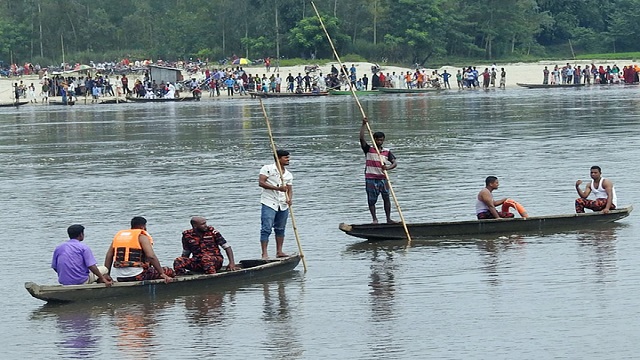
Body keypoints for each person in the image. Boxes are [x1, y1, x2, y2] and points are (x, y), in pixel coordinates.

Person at [104, 216, 174, 283]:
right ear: (142, 227)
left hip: (120, 277)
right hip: (138, 275)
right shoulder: (142, 237)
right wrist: (162, 273)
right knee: (169, 271)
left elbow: (109, 256)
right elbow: (151, 256)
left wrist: (107, 275)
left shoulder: (118, 237)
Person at [360, 117, 397, 224]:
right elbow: (361, 139)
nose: (379, 141)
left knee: (386, 198)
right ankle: (375, 219)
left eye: (381, 140)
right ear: (374, 139)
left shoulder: (386, 152)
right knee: (371, 200)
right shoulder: (368, 149)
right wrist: (363, 125)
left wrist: (388, 168)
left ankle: (388, 219)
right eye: (377, 139)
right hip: (371, 178)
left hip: (383, 179)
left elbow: (395, 163)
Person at [258, 149, 293, 259]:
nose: (288, 160)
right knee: (266, 228)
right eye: (286, 158)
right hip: (269, 202)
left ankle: (279, 251)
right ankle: (264, 253)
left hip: (282, 204)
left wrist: (289, 199)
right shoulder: (267, 168)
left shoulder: (288, 174)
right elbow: (261, 183)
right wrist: (277, 188)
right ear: (278, 158)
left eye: (288, 157)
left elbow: (289, 189)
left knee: (280, 228)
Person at [173, 216, 238, 275]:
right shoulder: (187, 235)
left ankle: (212, 278)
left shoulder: (212, 232)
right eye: (202, 224)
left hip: (215, 261)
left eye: (205, 223)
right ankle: (184, 278)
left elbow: (227, 247)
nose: (205, 225)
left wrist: (231, 263)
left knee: (206, 258)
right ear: (195, 225)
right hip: (198, 261)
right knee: (178, 260)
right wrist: (183, 265)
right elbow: (186, 252)